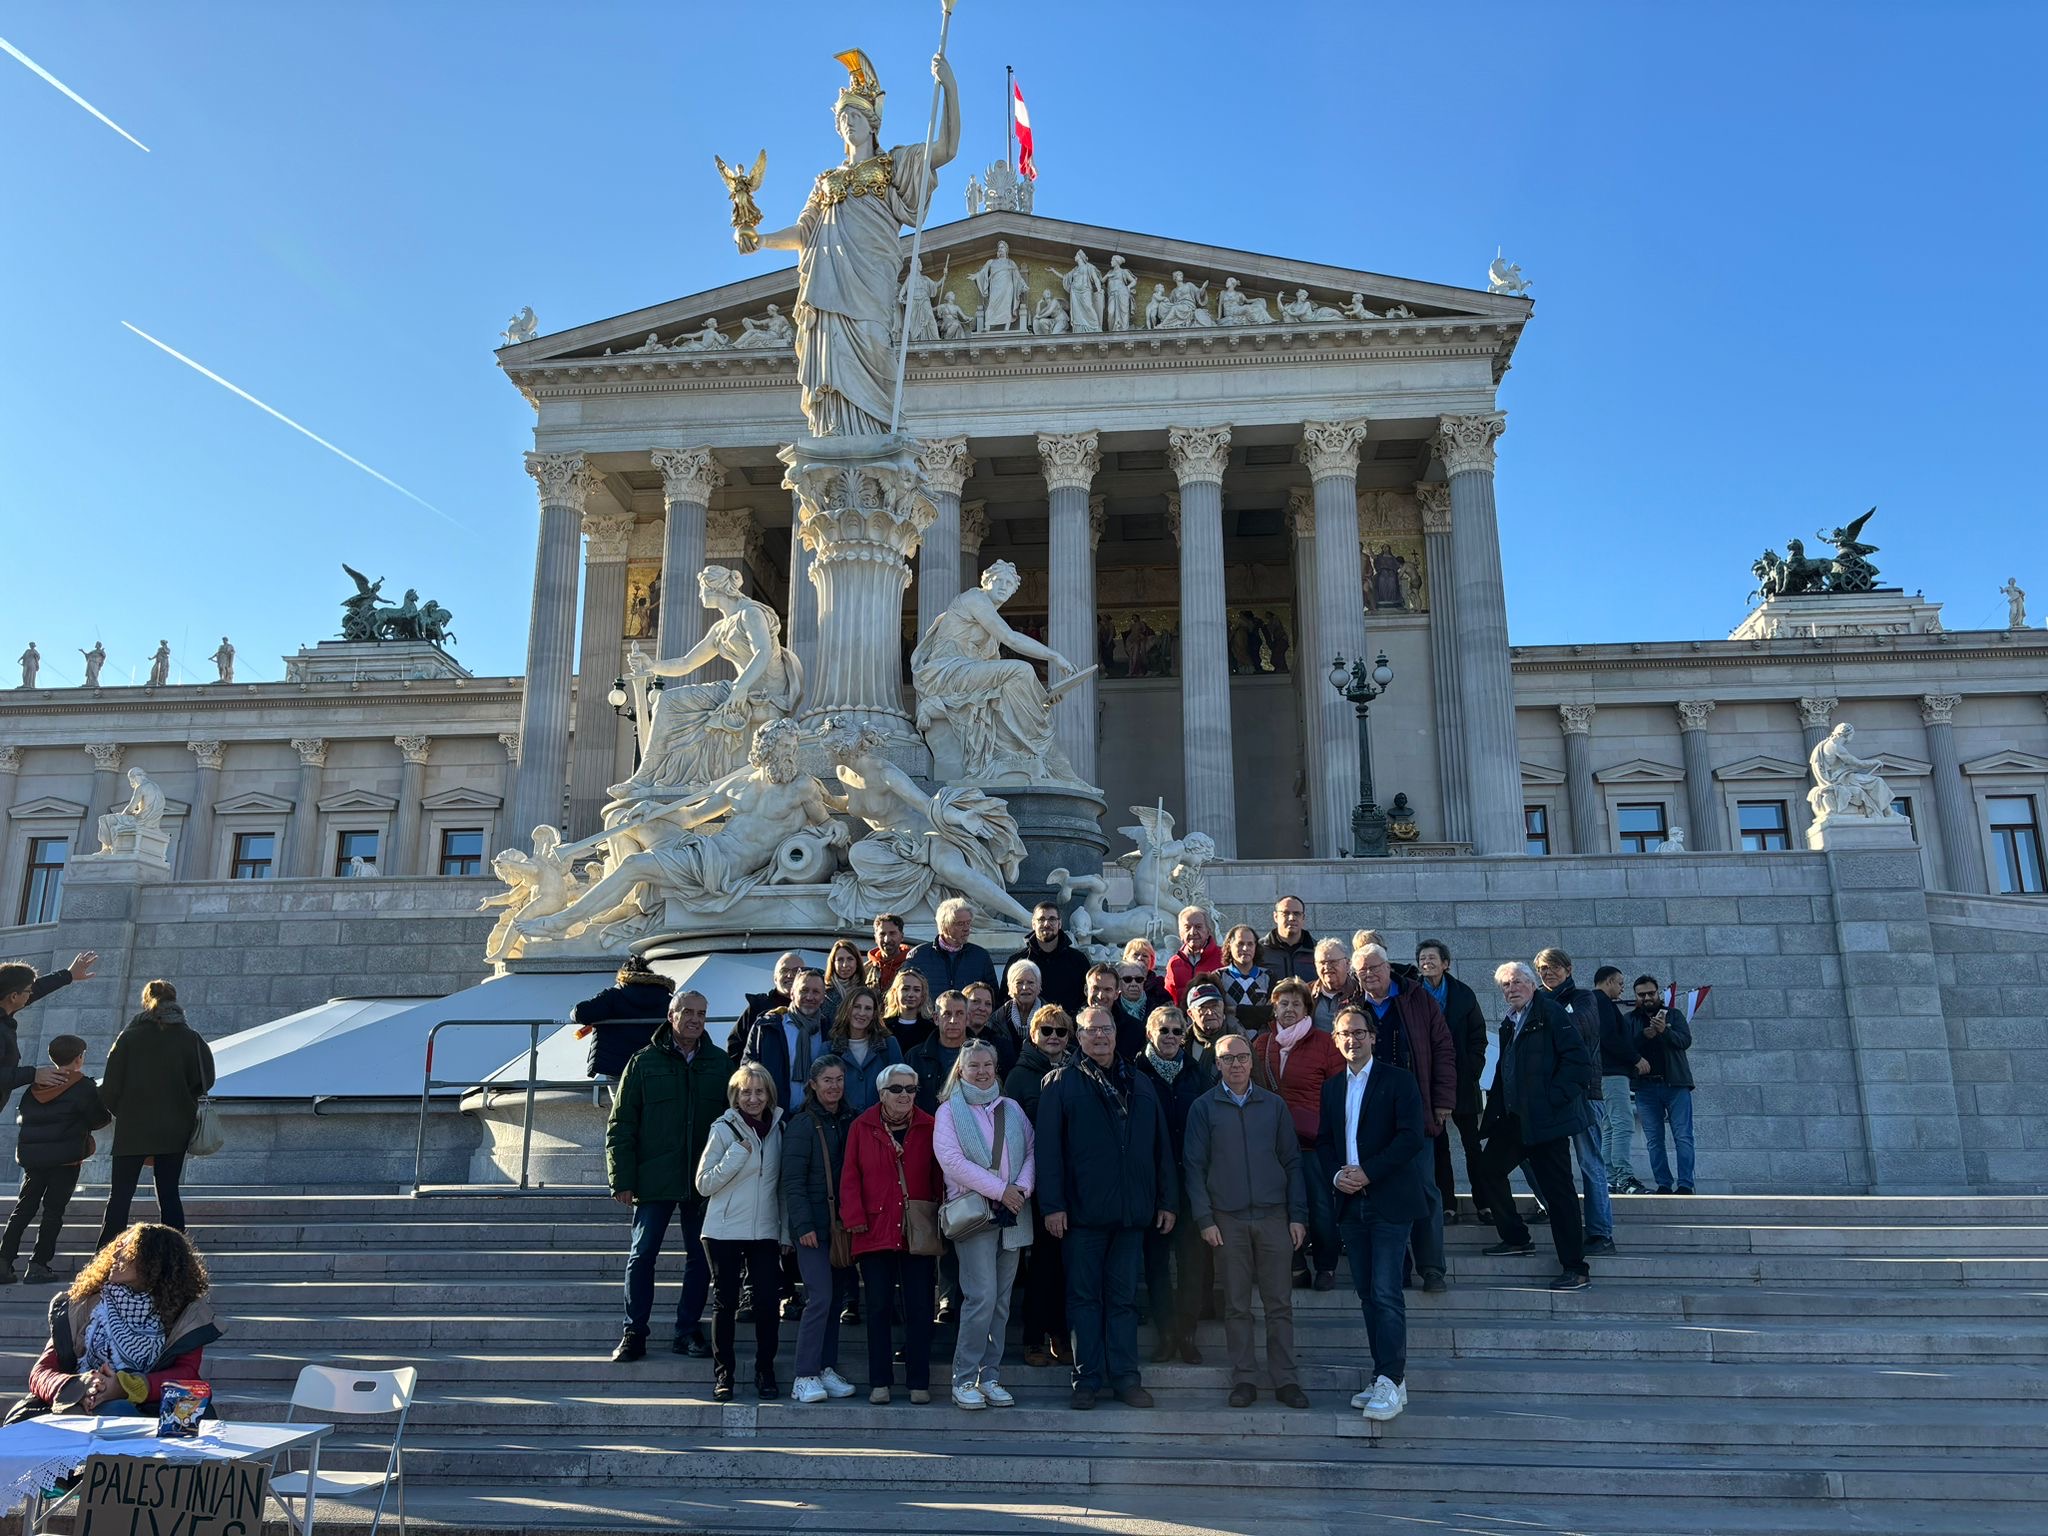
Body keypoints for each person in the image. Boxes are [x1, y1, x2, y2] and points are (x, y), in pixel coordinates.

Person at [1034, 1006, 1178, 1411]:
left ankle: (1127, 1379)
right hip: (1081, 1216)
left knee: (1123, 1301)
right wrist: (1053, 1206)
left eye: (1106, 1029)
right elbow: (1048, 1154)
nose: (1099, 1036)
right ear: (1077, 1037)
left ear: (1117, 1034)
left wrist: (1166, 1200)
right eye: (1090, 1030)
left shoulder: (1141, 1083)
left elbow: (1160, 1148)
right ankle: (1087, 1380)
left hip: (1132, 1215)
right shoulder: (1059, 1083)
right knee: (1083, 1300)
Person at [1183, 1032, 1307, 1407]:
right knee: (1236, 1304)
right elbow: (1194, 1166)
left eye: (1241, 1057)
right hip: (1228, 1219)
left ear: (1251, 1062)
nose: (1235, 1064)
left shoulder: (1274, 1106)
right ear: (1216, 1064)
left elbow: (1292, 1161)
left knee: (1279, 1303)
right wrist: (1205, 1219)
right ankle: (1244, 1379)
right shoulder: (1203, 1108)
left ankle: (1285, 1379)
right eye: (1227, 1058)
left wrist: (1297, 1215)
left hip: (1273, 1216)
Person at [1318, 1007, 1427, 1423]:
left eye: (1359, 1033)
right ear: (1337, 1040)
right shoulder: (1332, 1089)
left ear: (1373, 1037)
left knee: (1385, 1292)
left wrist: (1368, 1172)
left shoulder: (1398, 1080)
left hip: (1389, 1200)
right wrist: (1336, 1175)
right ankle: (1387, 1379)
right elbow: (1325, 1142)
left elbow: (1410, 1138)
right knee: (1367, 1295)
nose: (1352, 1040)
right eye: (1344, 1034)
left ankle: (1391, 1378)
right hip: (1350, 1203)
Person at [606, 989, 727, 1362]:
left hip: (700, 1180)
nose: (694, 1019)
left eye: (701, 1014)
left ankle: (687, 1330)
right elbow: (621, 1123)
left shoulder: (721, 1064)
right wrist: (621, 1179)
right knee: (642, 1255)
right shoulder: (643, 1063)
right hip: (653, 1177)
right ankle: (634, 1332)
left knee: (699, 1258)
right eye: (687, 1012)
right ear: (671, 1015)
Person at [1473, 962, 1597, 1290]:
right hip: (1515, 1120)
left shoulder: (1551, 1013)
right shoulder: (1509, 1023)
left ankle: (1575, 1267)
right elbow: (1506, 1071)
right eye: (1505, 986)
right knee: (1489, 1169)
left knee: (1559, 1194)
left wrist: (1553, 1100)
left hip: (1548, 1122)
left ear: (1531, 984)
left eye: (1516, 983)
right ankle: (1516, 1238)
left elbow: (1578, 1063)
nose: (1511, 989)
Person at [14, 1224, 217, 1421]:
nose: (114, 1255)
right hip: (77, 1404)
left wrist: (124, 1387)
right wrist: (81, 1387)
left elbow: (187, 1373)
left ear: (155, 1261)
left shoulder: (184, 1312)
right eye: (117, 1247)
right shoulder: (83, 1305)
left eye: (127, 1250)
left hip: (150, 1410)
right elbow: (41, 1372)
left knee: (116, 1409)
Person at [933, 1041, 1034, 1410]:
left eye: (988, 1064)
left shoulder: (1012, 1108)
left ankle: (990, 1376)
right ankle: (964, 1378)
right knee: (982, 1298)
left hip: (1012, 1215)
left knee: (1002, 1302)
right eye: (974, 1065)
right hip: (976, 1217)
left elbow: (1031, 1150)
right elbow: (952, 1161)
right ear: (961, 1070)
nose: (982, 1071)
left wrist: (1020, 1189)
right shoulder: (948, 1112)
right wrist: (1001, 1190)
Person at [1353, 945, 1458, 1293]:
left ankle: (1432, 1268)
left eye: (1374, 967)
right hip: (1370, 1115)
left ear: (1388, 966)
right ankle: (1398, 1267)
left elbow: (1443, 1048)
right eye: (1363, 970)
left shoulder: (1418, 998)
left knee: (1425, 1189)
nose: (1369, 974)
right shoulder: (1354, 1006)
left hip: (1417, 1109)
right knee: (1382, 1192)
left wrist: (1443, 1100)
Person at [840, 1062, 942, 1405]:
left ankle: (918, 1382)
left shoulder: (931, 1125)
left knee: (919, 1308)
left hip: (918, 1229)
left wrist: (942, 1214)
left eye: (910, 1089)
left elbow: (939, 1175)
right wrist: (853, 1217)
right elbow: (850, 1175)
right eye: (896, 1089)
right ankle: (879, 1382)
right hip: (873, 1228)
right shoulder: (861, 1125)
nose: (904, 1096)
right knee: (879, 1308)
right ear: (881, 1093)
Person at [95, 982, 214, 1248]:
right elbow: (206, 1079)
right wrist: (182, 1100)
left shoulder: (129, 1037)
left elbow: (110, 1086)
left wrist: (123, 1112)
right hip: (176, 1125)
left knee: (120, 1196)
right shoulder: (191, 1038)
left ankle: (104, 1256)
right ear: (175, 1001)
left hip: (133, 1126)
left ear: (145, 1001)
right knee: (169, 1193)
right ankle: (177, 1255)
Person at [695, 1062, 787, 1401]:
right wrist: (736, 1154)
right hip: (723, 1230)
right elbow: (704, 1184)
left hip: (764, 1230)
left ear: (769, 1095)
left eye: (759, 1091)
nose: (753, 1098)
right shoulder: (722, 1129)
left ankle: (765, 1370)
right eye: (746, 1091)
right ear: (736, 1095)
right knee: (726, 1302)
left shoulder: (778, 1128)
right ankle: (724, 1375)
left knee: (766, 1302)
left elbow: (780, 1187)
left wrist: (786, 1232)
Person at [1249, 979, 1345, 1291]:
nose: (1288, 1009)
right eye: (1283, 1003)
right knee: (1282, 1207)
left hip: (1313, 1142)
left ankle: (1326, 1266)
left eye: (1295, 1004)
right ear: (1274, 1007)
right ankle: (1296, 1265)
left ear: (1307, 1009)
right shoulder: (1262, 1045)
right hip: (1274, 1144)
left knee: (1319, 1205)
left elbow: (1339, 1091)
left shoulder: (1324, 1042)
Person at [1134, 1006, 1211, 1364]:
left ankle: (1187, 1333)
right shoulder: (1135, 1075)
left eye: (1177, 1032)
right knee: (1158, 1266)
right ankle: (1165, 1333)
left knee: (1193, 1265)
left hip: (1191, 1185)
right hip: (1151, 1187)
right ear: (1150, 1033)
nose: (1170, 1037)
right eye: (1163, 1030)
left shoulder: (1198, 1075)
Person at [781, 1055, 859, 1404]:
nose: (834, 1086)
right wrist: (802, 1226)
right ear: (812, 1084)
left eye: (839, 1079)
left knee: (835, 1299)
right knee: (820, 1298)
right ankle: (804, 1374)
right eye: (827, 1079)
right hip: (812, 1227)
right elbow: (792, 1181)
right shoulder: (802, 1123)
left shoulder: (849, 1119)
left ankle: (826, 1369)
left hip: (843, 1227)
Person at [2, 1034, 109, 1284]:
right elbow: (99, 1119)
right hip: (66, 1160)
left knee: (23, 1208)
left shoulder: (37, 1085)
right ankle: (38, 1265)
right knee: (53, 1212)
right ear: (79, 1058)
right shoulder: (83, 1086)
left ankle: (4, 1260)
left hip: (34, 1160)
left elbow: (26, 1115)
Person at [1534, 949, 1617, 1257]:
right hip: (1547, 1096)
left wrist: (1539, 1018)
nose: (1547, 973)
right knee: (1535, 1158)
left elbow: (1578, 1027)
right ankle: (1556, 1212)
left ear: (1568, 969)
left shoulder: (1585, 998)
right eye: (1542, 969)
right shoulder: (1537, 1001)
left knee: (1590, 1162)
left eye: (1553, 967)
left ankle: (1600, 1231)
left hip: (1584, 1093)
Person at [1004, 1005, 1073, 1368]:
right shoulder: (1019, 1076)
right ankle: (1033, 1338)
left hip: (1068, 1181)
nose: (1054, 1037)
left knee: (1062, 1265)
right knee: (1041, 1265)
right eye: (1046, 1030)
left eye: (1061, 1032)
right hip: (1031, 1182)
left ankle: (1060, 1335)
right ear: (1033, 1034)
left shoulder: (1076, 1070)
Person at [1414, 940, 1491, 1225]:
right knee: (1438, 1146)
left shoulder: (1463, 994)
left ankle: (1485, 1202)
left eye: (1432, 958)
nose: (1427, 963)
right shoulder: (1415, 994)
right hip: (1427, 1083)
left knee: (1472, 1144)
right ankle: (1447, 1204)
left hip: (1461, 1082)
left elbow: (1478, 1036)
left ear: (1446, 963)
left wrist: (1471, 1069)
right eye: (1422, 959)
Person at [0, 954, 97, 1121]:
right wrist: (33, 1074)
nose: (31, 994)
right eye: (27, 991)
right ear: (13, 997)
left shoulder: (5, 1010)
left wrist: (68, 975)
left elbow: (37, 989)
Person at [1629, 976, 1697, 1194]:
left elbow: (1684, 1041)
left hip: (1675, 1084)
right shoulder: (1631, 1019)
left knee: (1683, 1135)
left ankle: (1686, 1184)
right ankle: (1664, 1184)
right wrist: (1643, 1036)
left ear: (1658, 993)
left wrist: (1664, 1031)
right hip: (1645, 1088)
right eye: (1642, 995)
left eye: (1651, 993)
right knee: (1654, 1140)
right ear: (1636, 996)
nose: (1647, 998)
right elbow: (1624, 1048)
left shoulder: (1674, 1015)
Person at [572, 956, 674, 1082]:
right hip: (656, 1063)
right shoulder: (667, 998)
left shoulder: (614, 995)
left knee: (620, 1101)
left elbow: (580, 1013)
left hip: (616, 1065)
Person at [742, 968, 830, 1113]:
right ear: (792, 993)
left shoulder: (829, 1031)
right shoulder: (767, 1027)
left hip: (815, 1117)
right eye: (804, 990)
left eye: (816, 992)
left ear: (823, 998)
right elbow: (747, 1070)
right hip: (773, 1114)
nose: (809, 997)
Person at [1593, 966, 1648, 1194]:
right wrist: (1635, 1058)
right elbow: (1609, 1037)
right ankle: (1623, 1176)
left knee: (1610, 1126)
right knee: (1623, 1123)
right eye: (1620, 983)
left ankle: (1611, 1176)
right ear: (1608, 981)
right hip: (1613, 1072)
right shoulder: (1602, 1003)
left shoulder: (1594, 1003)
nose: (1622, 988)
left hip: (1604, 1073)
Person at [903, 898, 999, 1003]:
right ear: (945, 926)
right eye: (960, 924)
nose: (967, 929)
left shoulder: (981, 956)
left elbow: (994, 997)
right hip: (929, 1018)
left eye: (968, 923)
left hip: (968, 1018)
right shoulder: (918, 956)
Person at [828, 985, 902, 1117]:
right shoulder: (828, 1049)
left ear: (874, 1014)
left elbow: (901, 1086)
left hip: (879, 1124)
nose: (862, 1013)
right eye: (857, 1007)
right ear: (847, 1009)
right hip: (840, 1126)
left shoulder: (889, 1045)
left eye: (868, 1008)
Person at [1004, 902, 1088, 1012]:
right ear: (1033, 924)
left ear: (1060, 923)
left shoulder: (1079, 960)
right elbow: (1005, 1001)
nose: (1046, 924)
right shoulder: (1017, 961)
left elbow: (1087, 999)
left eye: (1052, 919)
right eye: (1041, 919)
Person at [729, 950, 804, 1054]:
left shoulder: (814, 1007)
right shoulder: (758, 1007)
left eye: (796, 971)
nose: (790, 975)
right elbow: (735, 1044)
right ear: (775, 978)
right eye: (784, 970)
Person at [908, 990, 971, 1114]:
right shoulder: (915, 1057)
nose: (953, 1020)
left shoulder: (983, 1056)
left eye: (959, 1014)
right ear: (936, 1018)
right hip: (928, 1128)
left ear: (967, 1018)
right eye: (947, 1014)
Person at [1218, 923, 1273, 1034]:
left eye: (1250, 944)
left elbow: (1271, 1012)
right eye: (1240, 944)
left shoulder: (1269, 976)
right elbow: (1219, 1011)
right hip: (1230, 1040)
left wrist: (1235, 1010)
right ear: (1229, 945)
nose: (1245, 948)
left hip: (1261, 1041)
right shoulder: (1219, 977)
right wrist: (1257, 1012)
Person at [1163, 906, 1222, 1008]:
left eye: (1198, 927)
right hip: (1184, 1021)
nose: (1192, 932)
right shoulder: (1174, 963)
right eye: (1187, 927)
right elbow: (1169, 998)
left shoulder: (1222, 957)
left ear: (1208, 931)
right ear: (1181, 933)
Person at [961, 979, 1019, 1077]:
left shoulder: (1002, 1046)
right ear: (963, 1005)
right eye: (976, 1001)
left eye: (988, 1004)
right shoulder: (952, 1040)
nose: (982, 1008)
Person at [1258, 897, 1318, 987]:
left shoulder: (1318, 950)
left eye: (1296, 913)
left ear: (1303, 918)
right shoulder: (1259, 950)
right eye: (1286, 913)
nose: (1291, 918)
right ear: (1275, 917)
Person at [1183, 980, 1239, 1071]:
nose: (1210, 1012)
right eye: (1203, 1007)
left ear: (1223, 1008)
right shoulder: (1181, 1044)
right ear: (1190, 1014)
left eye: (1215, 1006)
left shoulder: (1240, 1040)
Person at [990, 960, 1042, 1052]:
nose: (1025, 987)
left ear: (1039, 986)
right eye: (1019, 982)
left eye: (1030, 982)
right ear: (1009, 987)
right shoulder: (996, 1019)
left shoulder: (1053, 1018)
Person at [1308, 940, 1360, 1032]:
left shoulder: (1359, 992)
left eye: (1333, 962)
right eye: (1322, 962)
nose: (1327, 967)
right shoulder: (1306, 993)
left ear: (1347, 964)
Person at [883, 967, 935, 1054]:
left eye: (916, 990)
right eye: (905, 989)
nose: (911, 994)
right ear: (895, 992)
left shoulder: (931, 1030)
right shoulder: (883, 1027)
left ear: (923, 995)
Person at [1105, 962, 1151, 1060]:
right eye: (1127, 979)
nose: (1134, 984)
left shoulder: (1156, 1007)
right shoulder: (1111, 1009)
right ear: (1118, 983)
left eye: (1139, 979)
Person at [821, 939, 866, 1025]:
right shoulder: (822, 991)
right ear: (833, 963)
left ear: (857, 962)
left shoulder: (865, 991)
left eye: (850, 959)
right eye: (840, 960)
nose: (845, 965)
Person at [866, 914, 911, 994]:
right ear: (875, 938)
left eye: (892, 933)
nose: (887, 939)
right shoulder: (865, 970)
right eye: (882, 934)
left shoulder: (912, 967)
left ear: (902, 936)